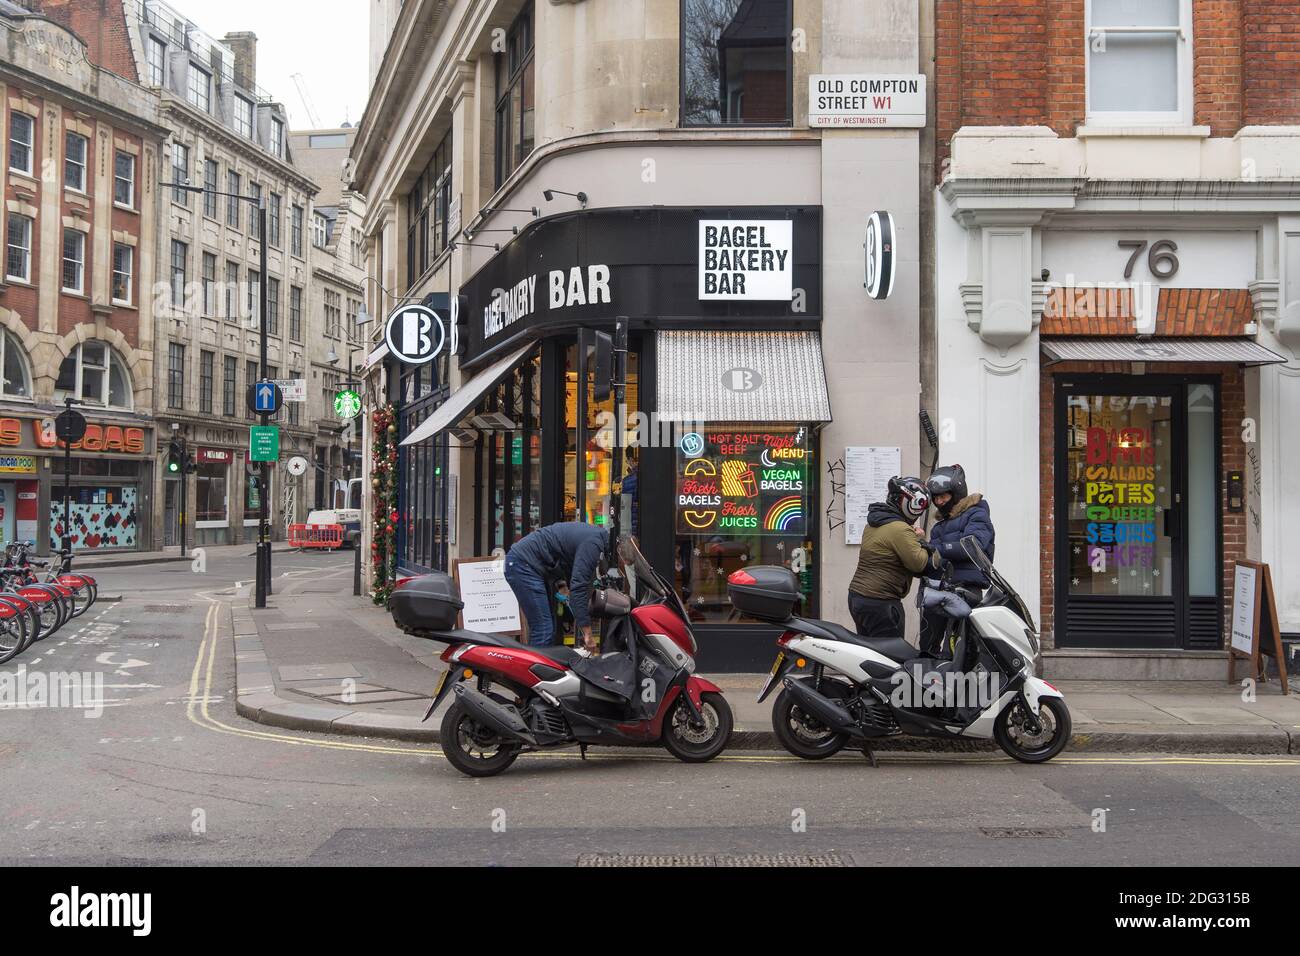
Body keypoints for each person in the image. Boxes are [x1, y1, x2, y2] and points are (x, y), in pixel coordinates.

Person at [847, 476, 945, 638]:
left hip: (858, 597)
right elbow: (919, 564)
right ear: (912, 504)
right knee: (890, 655)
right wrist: (921, 540)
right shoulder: (900, 529)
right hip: (880, 602)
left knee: (870, 651)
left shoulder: (873, 523)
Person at [921, 464, 995, 656]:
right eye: (935, 498)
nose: (939, 501)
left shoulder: (977, 514)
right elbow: (935, 562)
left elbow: (973, 545)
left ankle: (959, 685)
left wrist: (938, 549)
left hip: (965, 591)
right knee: (928, 646)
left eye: (943, 496)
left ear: (957, 492)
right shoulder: (939, 526)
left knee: (957, 650)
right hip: (941, 590)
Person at [504, 521, 606, 649]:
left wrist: (563, 587)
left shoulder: (595, 537)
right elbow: (578, 588)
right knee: (543, 629)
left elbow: (567, 562)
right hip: (523, 564)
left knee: (548, 628)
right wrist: (588, 634)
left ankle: (538, 664)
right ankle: (533, 667)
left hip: (528, 564)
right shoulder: (593, 545)